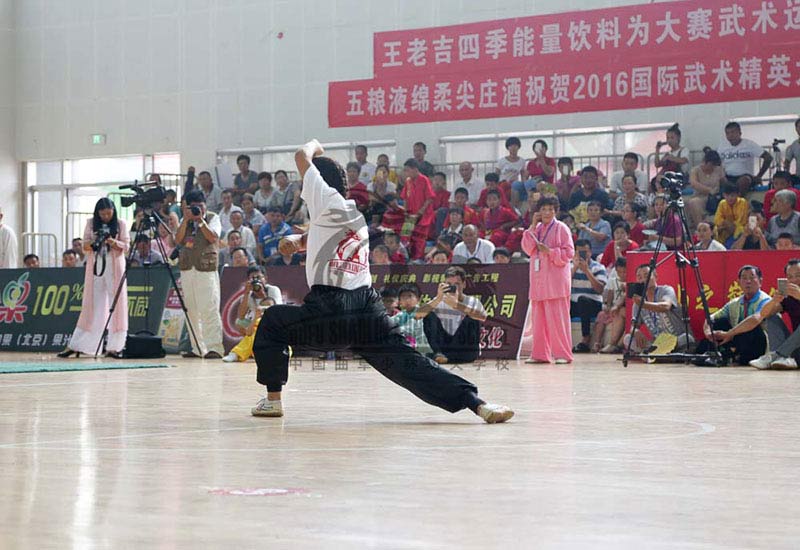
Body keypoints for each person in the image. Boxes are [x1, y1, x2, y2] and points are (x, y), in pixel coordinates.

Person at [250, 139, 512, 423]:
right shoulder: (351, 215)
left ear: (317, 181)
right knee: (411, 365)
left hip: (332, 310)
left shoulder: (323, 197)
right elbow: (317, 240)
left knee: (273, 320)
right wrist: (295, 242)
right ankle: (478, 404)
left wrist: (316, 146)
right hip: (368, 311)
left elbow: (302, 155)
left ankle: (273, 401)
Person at [58, 198, 129, 359]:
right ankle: (80, 345)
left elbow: (126, 246)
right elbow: (85, 245)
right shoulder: (91, 223)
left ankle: (115, 346)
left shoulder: (120, 223)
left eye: (108, 213)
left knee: (116, 305)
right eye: (102, 214)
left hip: (115, 266)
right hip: (96, 266)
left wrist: (112, 241)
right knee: (92, 304)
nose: (105, 217)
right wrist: (97, 240)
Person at [520, 196, 575, 363]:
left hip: (556, 282)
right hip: (538, 282)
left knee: (558, 321)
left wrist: (550, 251)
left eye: (550, 209)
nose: (547, 212)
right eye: (543, 209)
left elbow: (569, 254)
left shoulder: (561, 228)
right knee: (538, 321)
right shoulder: (535, 229)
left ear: (555, 211)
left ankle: (563, 354)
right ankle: (539, 354)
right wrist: (531, 225)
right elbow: (527, 248)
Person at [175, 189, 224, 359]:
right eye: (192, 207)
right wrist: (186, 220)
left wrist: (201, 221)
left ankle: (215, 348)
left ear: (205, 205)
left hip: (206, 268)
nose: (197, 209)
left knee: (209, 307)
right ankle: (197, 347)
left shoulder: (213, 218)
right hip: (188, 268)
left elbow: (213, 238)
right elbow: (178, 239)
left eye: (199, 206)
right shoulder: (185, 220)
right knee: (191, 310)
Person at [698, 265, 772, 365]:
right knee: (719, 323)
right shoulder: (734, 303)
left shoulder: (766, 300)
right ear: (739, 282)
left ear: (760, 281)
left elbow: (755, 320)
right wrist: (708, 333)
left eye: (752, 277)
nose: (748, 281)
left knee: (752, 328)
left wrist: (729, 334)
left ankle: (730, 356)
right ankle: (718, 355)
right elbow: (710, 318)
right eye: (744, 278)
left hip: (759, 344)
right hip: (737, 340)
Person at [415, 266, 487, 365]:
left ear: (464, 284)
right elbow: (417, 315)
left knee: (472, 315)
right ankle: (439, 354)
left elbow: (483, 317)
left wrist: (457, 305)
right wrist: (438, 298)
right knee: (429, 314)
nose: (453, 287)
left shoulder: (472, 301)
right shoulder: (439, 300)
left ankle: (445, 358)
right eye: (449, 284)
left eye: (457, 284)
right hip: (444, 345)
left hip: (465, 348)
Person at [623, 264, 695, 354]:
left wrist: (644, 304)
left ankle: (654, 355)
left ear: (656, 276)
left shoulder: (666, 290)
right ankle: (661, 355)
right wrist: (636, 331)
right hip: (658, 344)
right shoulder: (638, 302)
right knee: (628, 339)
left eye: (647, 275)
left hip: (676, 340)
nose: (644, 279)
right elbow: (633, 325)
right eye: (639, 277)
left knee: (687, 339)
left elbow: (666, 306)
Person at [223, 266, 282, 363]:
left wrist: (262, 294)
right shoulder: (248, 294)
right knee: (241, 323)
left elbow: (277, 309)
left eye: (259, 277)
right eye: (253, 278)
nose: (256, 281)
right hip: (255, 323)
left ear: (265, 278)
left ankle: (237, 353)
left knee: (257, 332)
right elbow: (241, 317)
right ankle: (251, 350)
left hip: (274, 323)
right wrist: (246, 294)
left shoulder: (273, 290)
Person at [749, 258, 800, 369]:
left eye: (798, 275)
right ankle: (782, 357)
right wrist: (774, 300)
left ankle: (776, 356)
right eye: (790, 277)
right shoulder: (788, 297)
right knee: (771, 317)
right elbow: (763, 314)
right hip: (795, 347)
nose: (794, 280)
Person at [570, 239, 608, 353]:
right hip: (575, 304)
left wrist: (587, 271)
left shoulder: (598, 267)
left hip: (593, 303)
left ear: (590, 252)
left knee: (583, 300)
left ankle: (585, 339)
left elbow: (600, 289)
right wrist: (575, 268)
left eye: (585, 252)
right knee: (560, 303)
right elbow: (562, 286)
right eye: (579, 252)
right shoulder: (569, 266)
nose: (582, 255)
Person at [718, 121, 772, 195]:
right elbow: (716, 163)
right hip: (728, 177)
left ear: (740, 133)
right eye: (727, 133)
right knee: (720, 180)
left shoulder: (749, 144)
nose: (730, 135)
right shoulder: (722, 146)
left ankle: (739, 201)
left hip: (745, 177)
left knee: (744, 181)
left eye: (733, 132)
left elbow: (768, 158)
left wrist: (759, 176)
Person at [400, 159, 436, 260]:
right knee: (405, 236)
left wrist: (421, 211)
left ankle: (417, 259)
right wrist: (405, 211)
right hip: (411, 216)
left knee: (419, 239)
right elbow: (405, 197)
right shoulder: (408, 181)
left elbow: (429, 198)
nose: (405, 173)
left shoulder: (424, 179)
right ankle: (406, 258)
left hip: (423, 216)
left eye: (407, 170)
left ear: (415, 169)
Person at [591, 257, 627, 354]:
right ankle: (597, 342)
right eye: (620, 272)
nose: (623, 274)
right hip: (613, 307)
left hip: (621, 308)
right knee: (601, 315)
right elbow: (610, 295)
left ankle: (616, 344)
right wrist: (608, 306)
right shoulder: (612, 281)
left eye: (625, 272)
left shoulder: (629, 281)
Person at [686, 149, 726, 230]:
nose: (712, 167)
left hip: (715, 198)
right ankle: (697, 228)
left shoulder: (718, 169)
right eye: (711, 165)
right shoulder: (695, 170)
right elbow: (693, 183)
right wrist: (709, 190)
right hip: (699, 196)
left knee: (694, 202)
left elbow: (724, 182)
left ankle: (703, 229)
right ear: (705, 162)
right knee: (690, 202)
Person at [391, 284, 433, 356]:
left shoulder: (424, 313)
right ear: (399, 301)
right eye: (403, 297)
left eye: (410, 296)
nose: (407, 300)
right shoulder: (399, 316)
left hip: (424, 352)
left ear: (418, 299)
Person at [652, 123, 690, 192]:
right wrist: (657, 150)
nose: (669, 140)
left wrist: (671, 158)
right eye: (668, 138)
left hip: (680, 177)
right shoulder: (668, 153)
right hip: (667, 176)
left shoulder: (684, 150)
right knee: (653, 182)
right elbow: (657, 164)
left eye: (672, 138)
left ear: (678, 138)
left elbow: (684, 160)